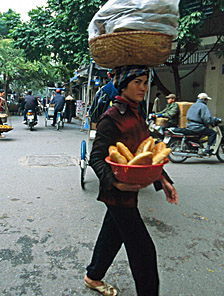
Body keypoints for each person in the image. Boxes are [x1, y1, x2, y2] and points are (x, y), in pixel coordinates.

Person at [85, 65, 178, 296]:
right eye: (137, 82)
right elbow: (96, 158)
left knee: (112, 235)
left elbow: (147, 150)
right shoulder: (111, 118)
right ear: (123, 85)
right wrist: (115, 183)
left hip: (130, 190)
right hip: (118, 193)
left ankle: (93, 276)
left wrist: (163, 180)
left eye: (146, 83)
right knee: (144, 251)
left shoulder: (137, 113)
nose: (143, 88)